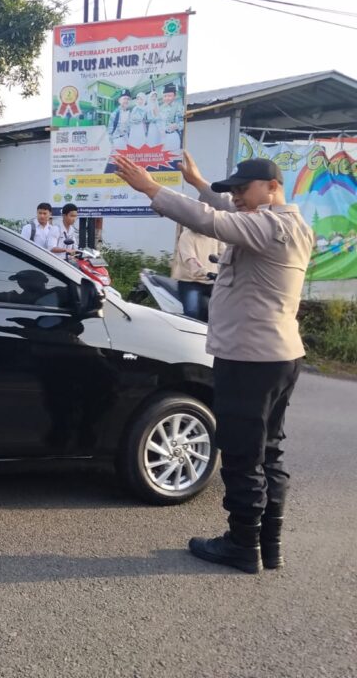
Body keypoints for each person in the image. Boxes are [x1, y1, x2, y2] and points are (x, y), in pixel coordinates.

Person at [113, 151, 314, 574]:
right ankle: (267, 545)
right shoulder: (285, 224)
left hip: (249, 359)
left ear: (272, 187)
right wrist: (200, 183)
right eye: (233, 190)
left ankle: (242, 545)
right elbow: (224, 209)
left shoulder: (271, 226)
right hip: (277, 356)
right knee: (268, 452)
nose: (236, 196)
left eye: (243, 189)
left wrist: (150, 188)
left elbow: (212, 221)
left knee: (242, 455)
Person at [171, 224, 223, 320]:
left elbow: (225, 253)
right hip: (190, 282)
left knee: (222, 312)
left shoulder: (214, 235)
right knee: (192, 313)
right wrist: (207, 272)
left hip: (212, 281)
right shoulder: (186, 236)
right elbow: (191, 260)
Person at [156, 83, 185, 153]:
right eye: (165, 96)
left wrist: (177, 126)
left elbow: (184, 122)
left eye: (169, 96)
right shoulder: (161, 108)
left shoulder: (179, 107)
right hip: (163, 137)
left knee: (175, 155)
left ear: (174, 96)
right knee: (164, 156)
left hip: (174, 135)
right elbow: (158, 121)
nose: (167, 98)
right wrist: (160, 130)